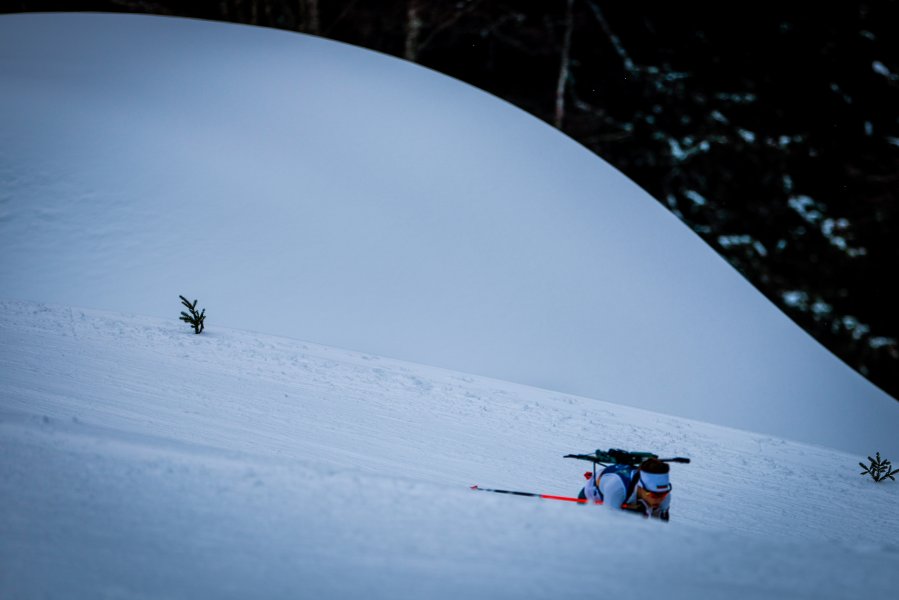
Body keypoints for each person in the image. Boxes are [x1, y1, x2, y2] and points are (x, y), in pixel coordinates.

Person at [578, 457, 671, 520]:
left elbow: (659, 526)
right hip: (591, 496)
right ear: (640, 486)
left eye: (663, 494)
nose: (659, 499)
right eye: (653, 495)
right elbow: (610, 525)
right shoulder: (617, 488)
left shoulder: (664, 496)